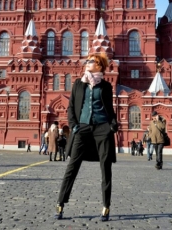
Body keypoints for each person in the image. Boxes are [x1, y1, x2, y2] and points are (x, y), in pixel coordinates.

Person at [54, 53, 118, 221]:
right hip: (82, 128)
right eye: (88, 61)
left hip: (102, 128)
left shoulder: (105, 86)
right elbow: (71, 107)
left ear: (100, 66)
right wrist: (74, 126)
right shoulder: (78, 83)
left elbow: (109, 108)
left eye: (92, 62)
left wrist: (112, 125)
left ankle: (106, 206)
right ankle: (60, 203)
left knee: (105, 168)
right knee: (72, 166)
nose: (88, 63)